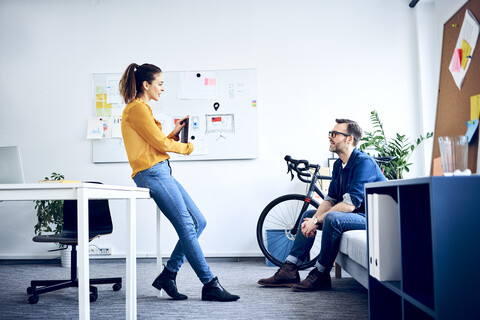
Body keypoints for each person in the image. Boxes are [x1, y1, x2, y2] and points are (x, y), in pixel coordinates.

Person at [119, 63, 239, 302]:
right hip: (151, 173)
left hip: (160, 171)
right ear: (146, 85)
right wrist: (186, 147)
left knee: (198, 222)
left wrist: (172, 134)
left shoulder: (142, 109)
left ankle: (169, 274)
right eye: (160, 84)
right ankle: (210, 284)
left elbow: (156, 142)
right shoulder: (137, 109)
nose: (162, 89)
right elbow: (161, 147)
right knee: (186, 224)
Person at [258, 118, 386, 291]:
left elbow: (349, 205)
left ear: (349, 139)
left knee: (333, 218)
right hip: (355, 216)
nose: (330, 137)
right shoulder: (339, 165)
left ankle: (321, 273)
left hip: (372, 217)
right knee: (308, 215)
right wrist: (313, 219)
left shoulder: (364, 163)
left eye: (334, 134)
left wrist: (317, 222)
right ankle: (290, 268)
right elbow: (330, 199)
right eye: (330, 133)